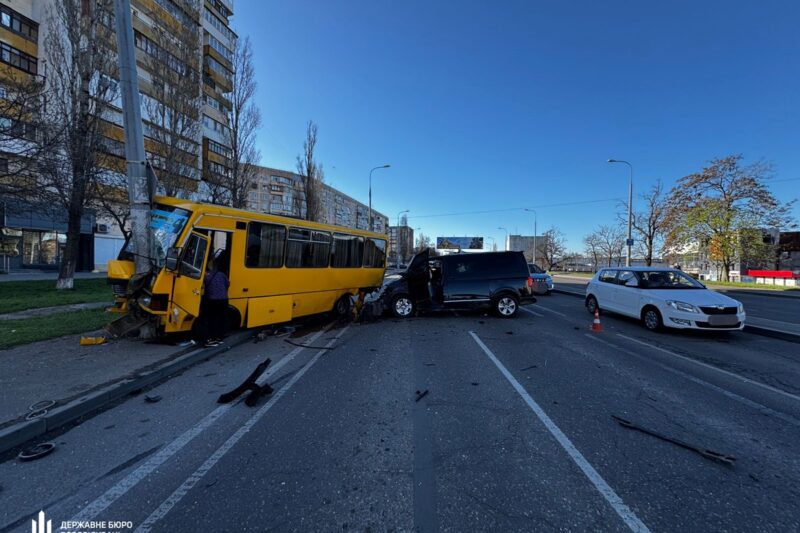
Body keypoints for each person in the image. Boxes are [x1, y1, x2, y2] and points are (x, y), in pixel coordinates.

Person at [201, 256, 230, 347]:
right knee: (221, 319)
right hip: (223, 299)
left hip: (212, 300)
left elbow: (202, 287)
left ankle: (210, 338)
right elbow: (227, 284)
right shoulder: (222, 274)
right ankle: (219, 337)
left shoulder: (206, 276)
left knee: (211, 319)